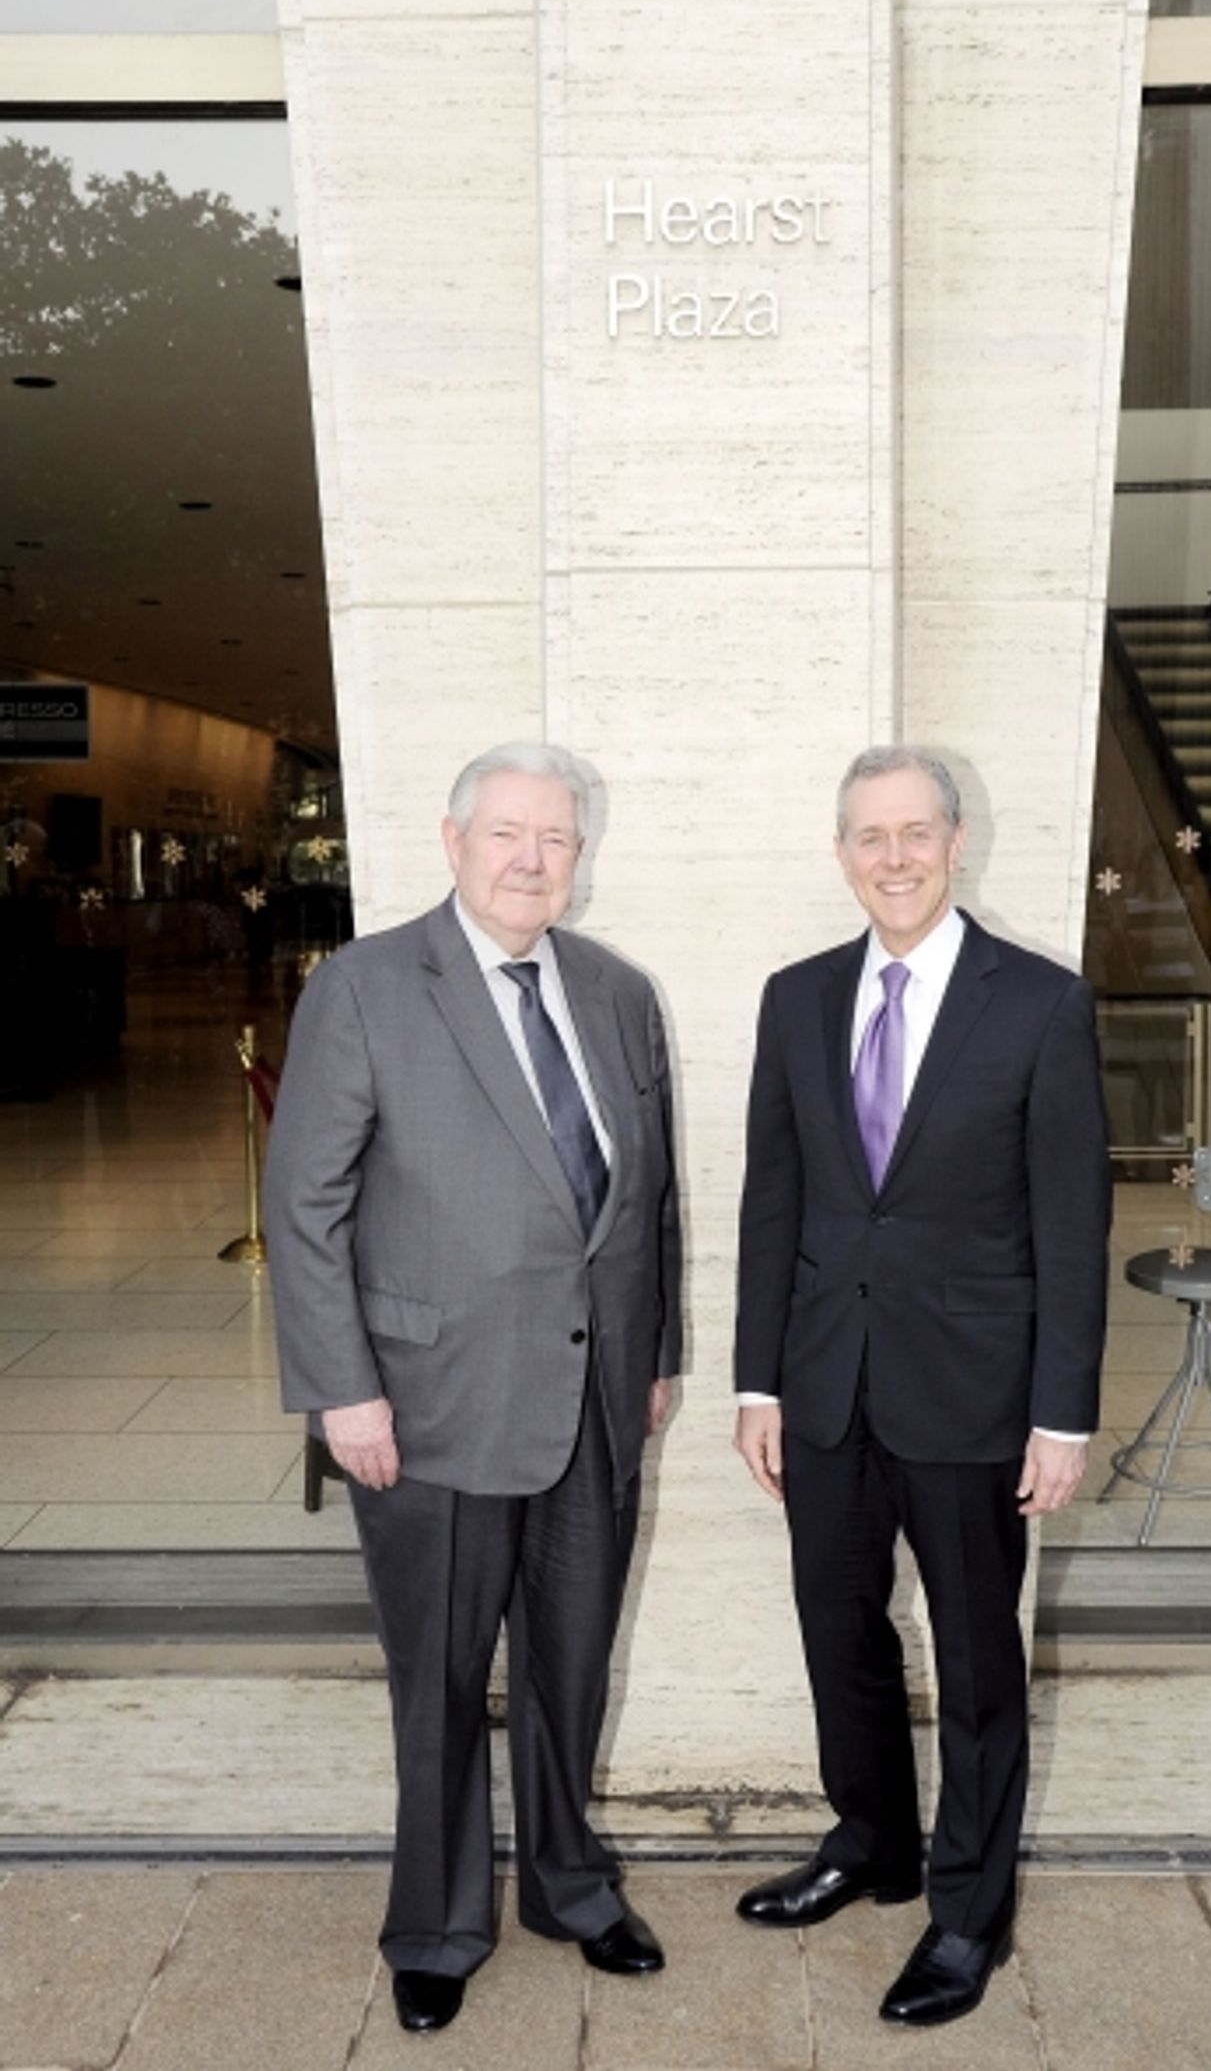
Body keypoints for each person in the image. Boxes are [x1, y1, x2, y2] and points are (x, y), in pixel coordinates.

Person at [264, 742, 681, 2035]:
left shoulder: (616, 992)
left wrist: (656, 1352)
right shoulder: (369, 988)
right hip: (426, 1405)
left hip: (593, 1402)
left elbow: (647, 1195)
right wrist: (344, 1392)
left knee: (570, 1664)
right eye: (506, 834)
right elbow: (305, 1204)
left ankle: (570, 1884)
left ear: (580, 855)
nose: (530, 860)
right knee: (440, 1681)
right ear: (453, 843)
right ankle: (438, 1925)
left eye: (554, 839)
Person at [732, 744, 1110, 2028]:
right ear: (840, 853)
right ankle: (871, 1843)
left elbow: (1070, 1225)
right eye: (866, 836)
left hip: (974, 1400)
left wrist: (1060, 1413)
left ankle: (964, 1914)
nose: (890, 857)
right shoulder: (795, 999)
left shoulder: (1040, 1005)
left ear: (955, 843)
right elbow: (770, 1201)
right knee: (836, 1631)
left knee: (973, 1660)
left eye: (913, 833)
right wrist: (753, 1384)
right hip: (824, 1389)